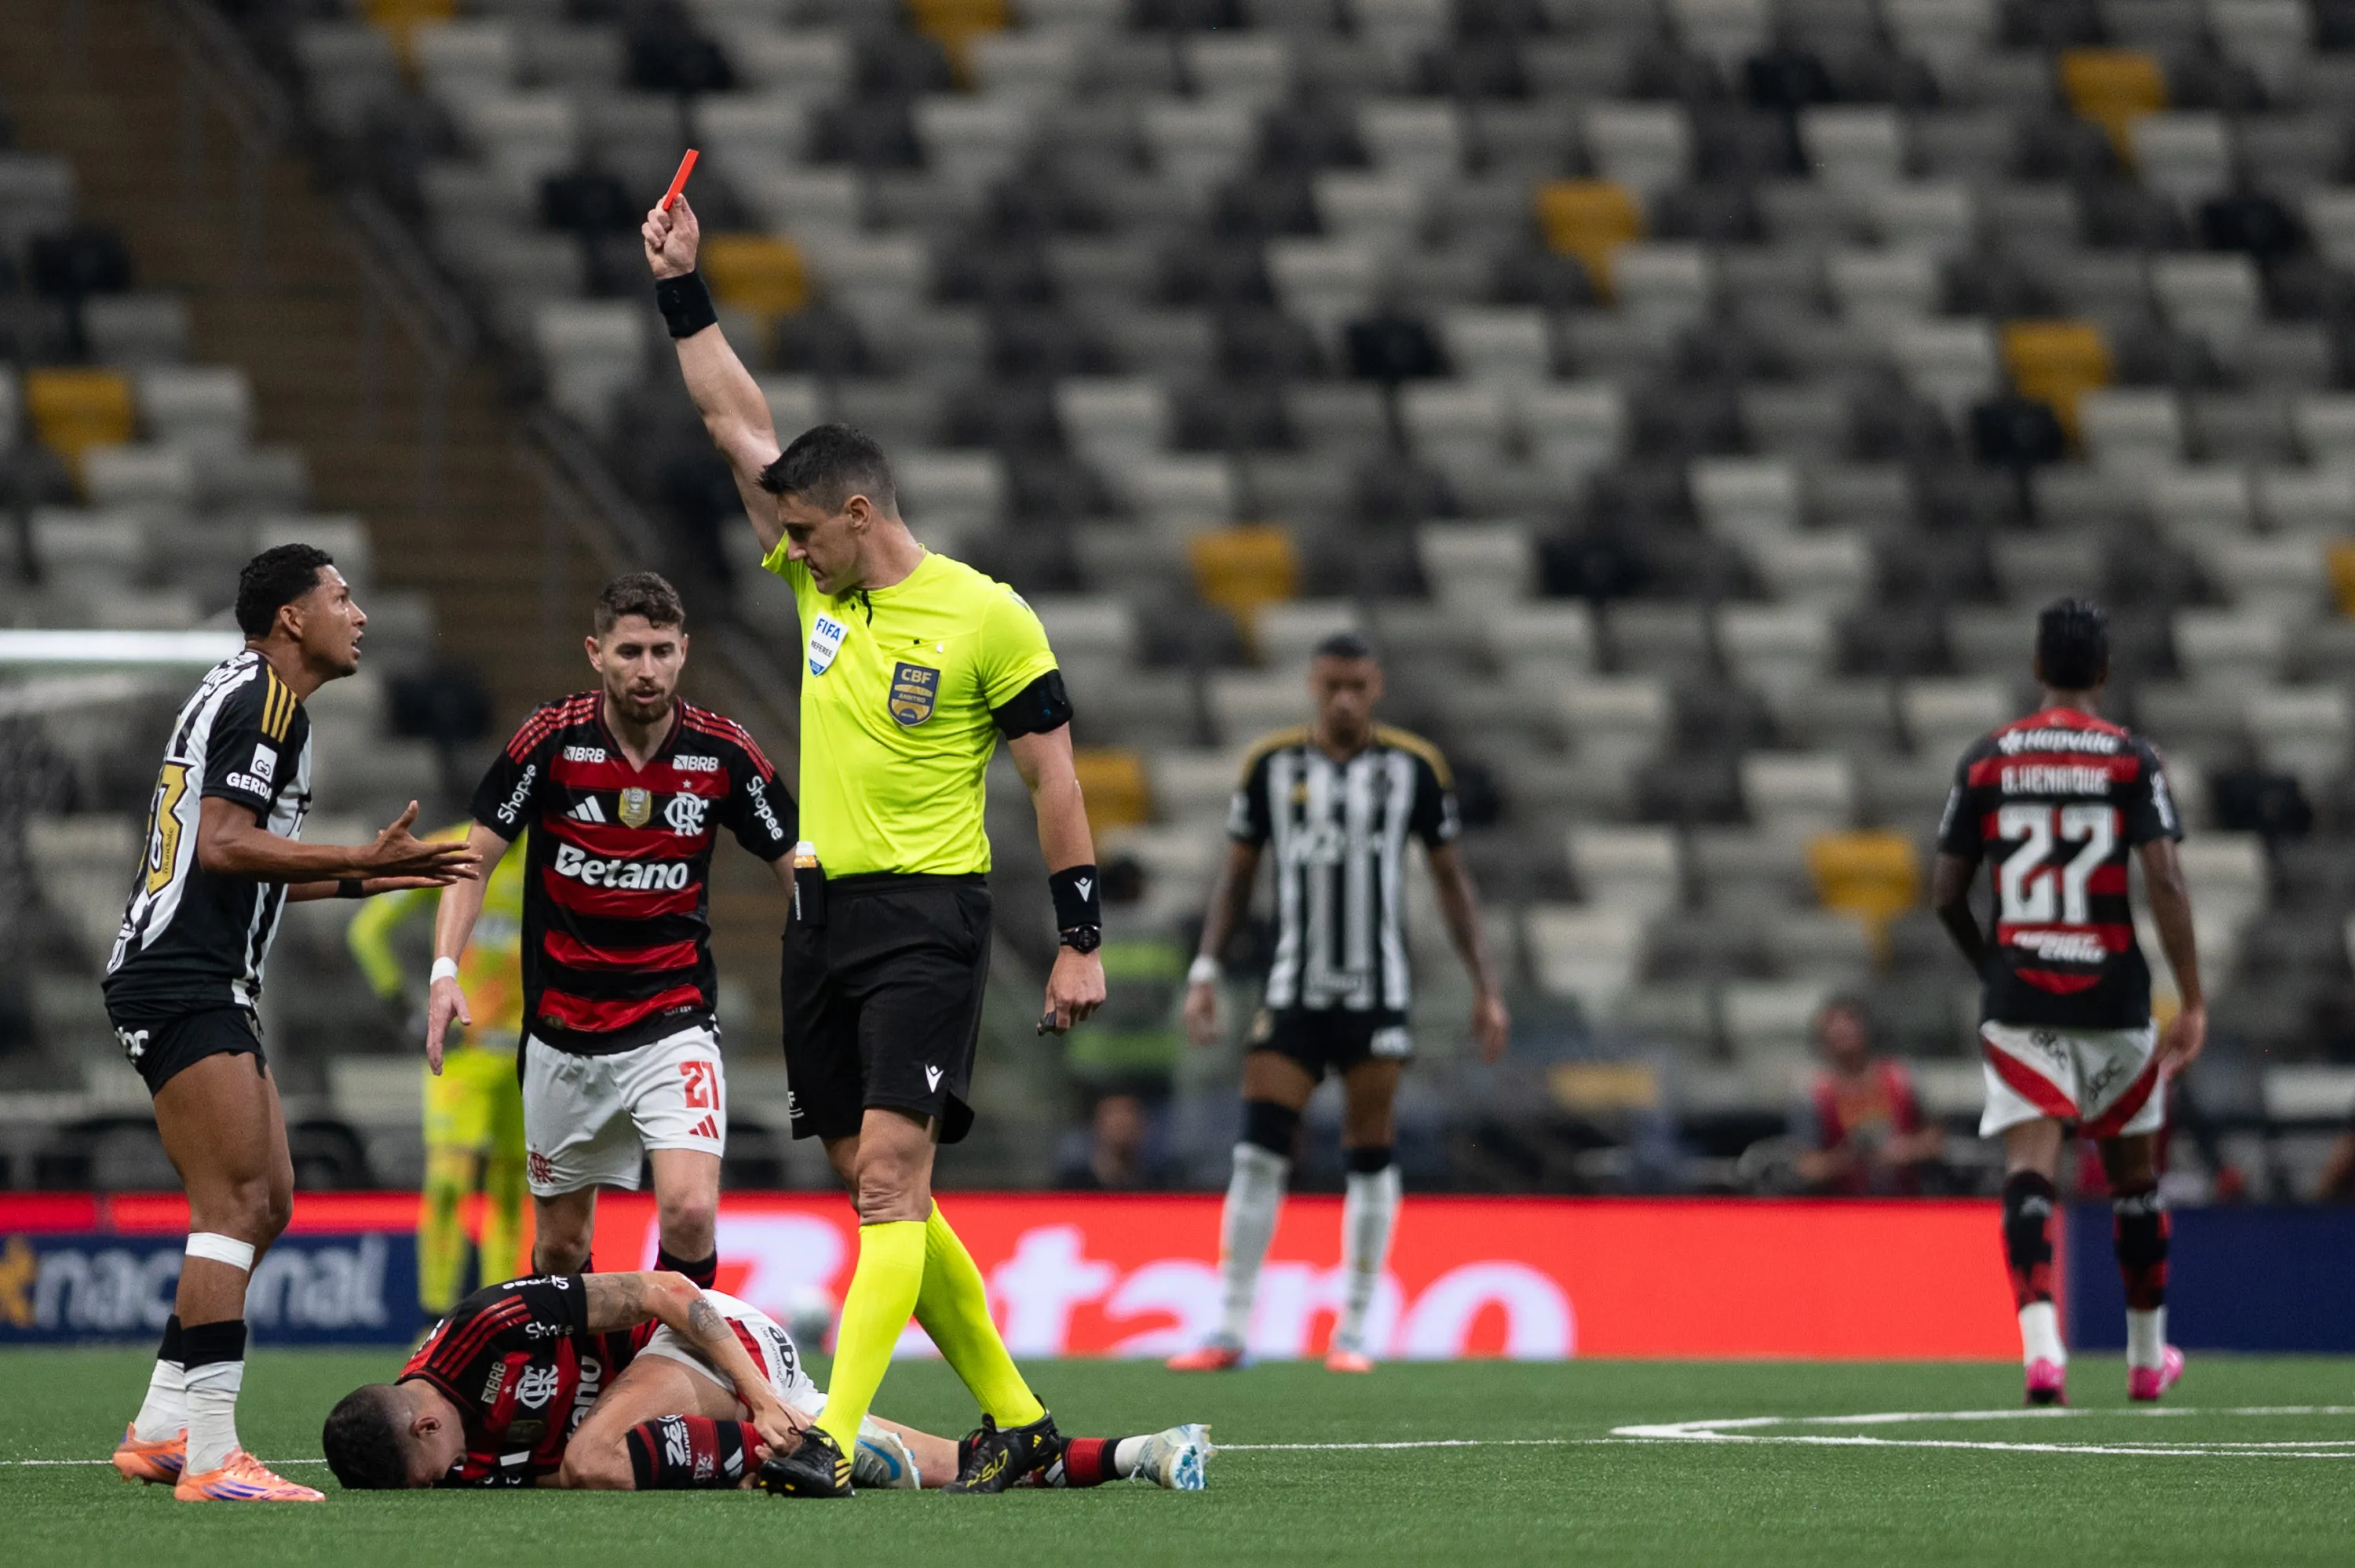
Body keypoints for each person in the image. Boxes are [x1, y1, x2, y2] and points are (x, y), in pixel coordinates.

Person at [645, 194, 1107, 1495]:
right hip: (822, 916)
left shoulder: (987, 617)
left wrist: (1079, 938)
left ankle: (833, 1438)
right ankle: (1015, 1418)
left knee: (893, 1177)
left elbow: (1053, 778)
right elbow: (732, 422)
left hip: (928, 915)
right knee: (869, 1170)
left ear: (857, 514)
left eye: (801, 532)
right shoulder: (817, 578)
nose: (781, 551)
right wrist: (685, 290)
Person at [102, 544, 479, 1502]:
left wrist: (373, 875)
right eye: (341, 598)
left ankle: (159, 1428)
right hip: (182, 976)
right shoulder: (264, 701)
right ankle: (214, 1454)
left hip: (203, 974)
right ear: (290, 620)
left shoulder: (253, 699)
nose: (358, 615)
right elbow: (226, 846)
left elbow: (236, 856)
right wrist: (355, 852)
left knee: (267, 1203)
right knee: (231, 1208)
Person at [425, 574, 798, 1299]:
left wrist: (825, 964)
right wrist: (445, 968)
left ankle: (668, 1377)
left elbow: (796, 861)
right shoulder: (552, 739)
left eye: (662, 651)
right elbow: (474, 858)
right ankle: (582, 1384)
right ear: (596, 653)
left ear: (685, 651)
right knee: (563, 1245)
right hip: (563, 1029)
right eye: (630, 651)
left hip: (673, 1018)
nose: (647, 669)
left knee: (689, 1213)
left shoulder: (721, 751)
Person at [1169, 631, 1510, 1374]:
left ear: (1377, 686)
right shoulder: (1270, 766)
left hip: (1376, 990)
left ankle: (1354, 1331)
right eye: (1333, 686)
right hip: (1294, 988)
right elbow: (1235, 880)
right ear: (1312, 685)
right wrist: (1205, 969)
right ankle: (1228, 1328)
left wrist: (1486, 986)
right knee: (1258, 1153)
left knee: (1369, 1151)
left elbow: (1453, 883)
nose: (1345, 700)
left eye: (1358, 686)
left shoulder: (1414, 768)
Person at [1930, 597, 2205, 1408]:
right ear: (2106, 670)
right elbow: (2166, 879)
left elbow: (1946, 893)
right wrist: (2191, 998)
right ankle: (2146, 1360)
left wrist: (1996, 963)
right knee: (2134, 1181)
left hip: (2022, 998)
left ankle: (2043, 1353)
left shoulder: (1988, 758)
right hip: (2113, 997)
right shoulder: (2130, 758)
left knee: (2029, 1171)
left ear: (2038, 666)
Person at [319, 1274, 1210, 1493]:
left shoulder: (487, 1325)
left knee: (595, 1456)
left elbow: (667, 1291)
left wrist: (759, 1400)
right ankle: (1147, 1452)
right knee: (953, 1468)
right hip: (682, 1402)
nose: (457, 1477)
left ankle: (808, 1447)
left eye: (435, 1474)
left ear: (424, 1431)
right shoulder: (455, 1449)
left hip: (710, 1341)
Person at [346, 822, 529, 1315]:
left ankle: (499, 1317)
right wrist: (403, 1007)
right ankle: (433, 1320)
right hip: (464, 1054)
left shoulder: (557, 857)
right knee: (450, 1182)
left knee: (511, 1191)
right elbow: (367, 931)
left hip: (527, 1056)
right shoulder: (454, 850)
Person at [1792, 996, 1944, 1196]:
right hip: (1844, 1209)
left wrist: (1906, 1151)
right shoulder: (1814, 1097)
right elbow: (1808, 1168)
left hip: (1907, 1204)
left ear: (1866, 1029)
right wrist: (1852, 1158)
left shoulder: (1902, 1080)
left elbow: (1936, 1141)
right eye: (1832, 1024)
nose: (1842, 1029)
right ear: (1822, 1040)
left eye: (1850, 1020)